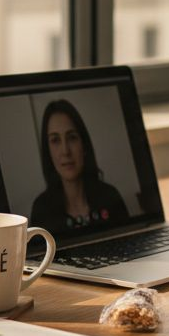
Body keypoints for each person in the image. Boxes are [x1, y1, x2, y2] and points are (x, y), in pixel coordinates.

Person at [29, 99, 129, 235]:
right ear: (48, 151)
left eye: (72, 138)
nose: (65, 151)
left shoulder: (110, 196)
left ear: (84, 145)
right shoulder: (41, 210)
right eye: (55, 140)